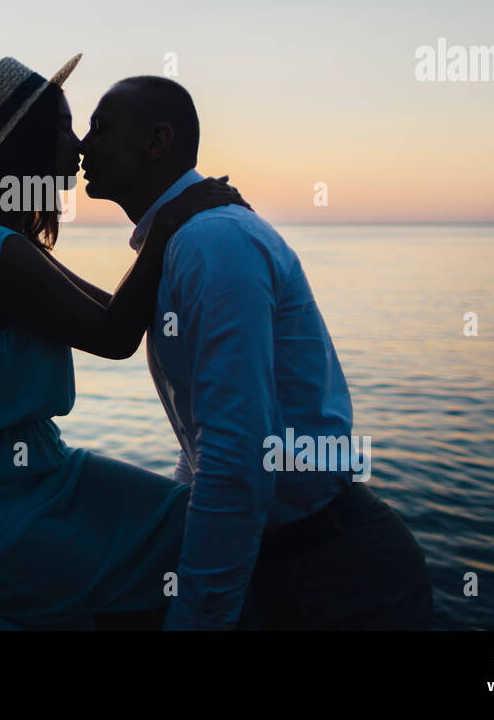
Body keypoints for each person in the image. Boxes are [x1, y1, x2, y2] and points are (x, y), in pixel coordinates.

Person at [0, 54, 246, 629]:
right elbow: (115, 335)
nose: (77, 146)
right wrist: (173, 220)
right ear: (25, 146)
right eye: (63, 127)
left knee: (190, 522)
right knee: (166, 554)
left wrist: (181, 240)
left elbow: (112, 307)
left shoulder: (1, 243)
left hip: (21, 473)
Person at [77, 74, 434, 630]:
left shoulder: (211, 243)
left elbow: (237, 450)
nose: (83, 143)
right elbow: (205, 441)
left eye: (100, 127)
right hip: (289, 564)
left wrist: (194, 620)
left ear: (157, 141)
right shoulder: (187, 240)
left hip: (341, 581)